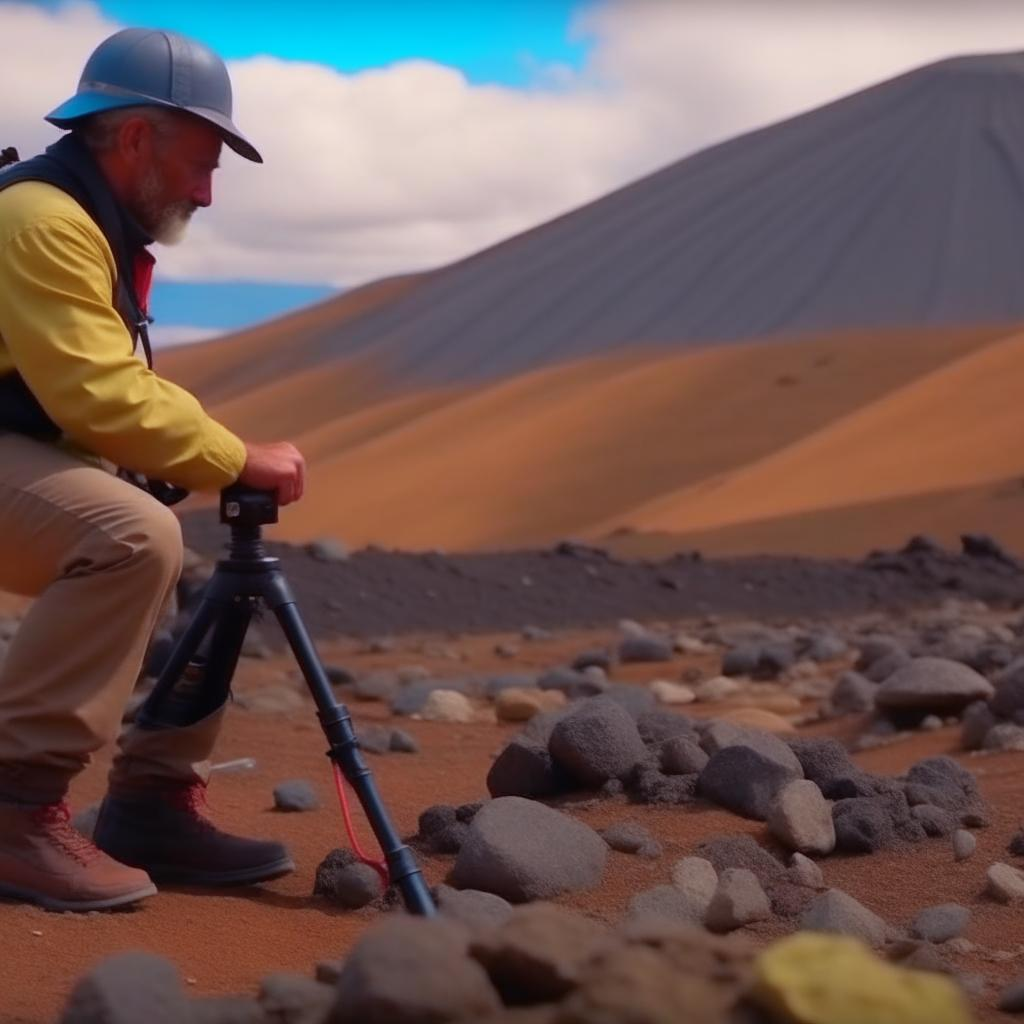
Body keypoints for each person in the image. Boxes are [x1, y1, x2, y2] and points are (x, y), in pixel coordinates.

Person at [0, 27, 306, 910]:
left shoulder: (89, 223)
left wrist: (195, 460)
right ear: (135, 137)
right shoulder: (42, 221)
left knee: (171, 545)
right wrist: (236, 455)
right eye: (202, 164)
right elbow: (100, 397)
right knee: (132, 535)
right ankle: (13, 811)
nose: (208, 193)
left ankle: (150, 804)